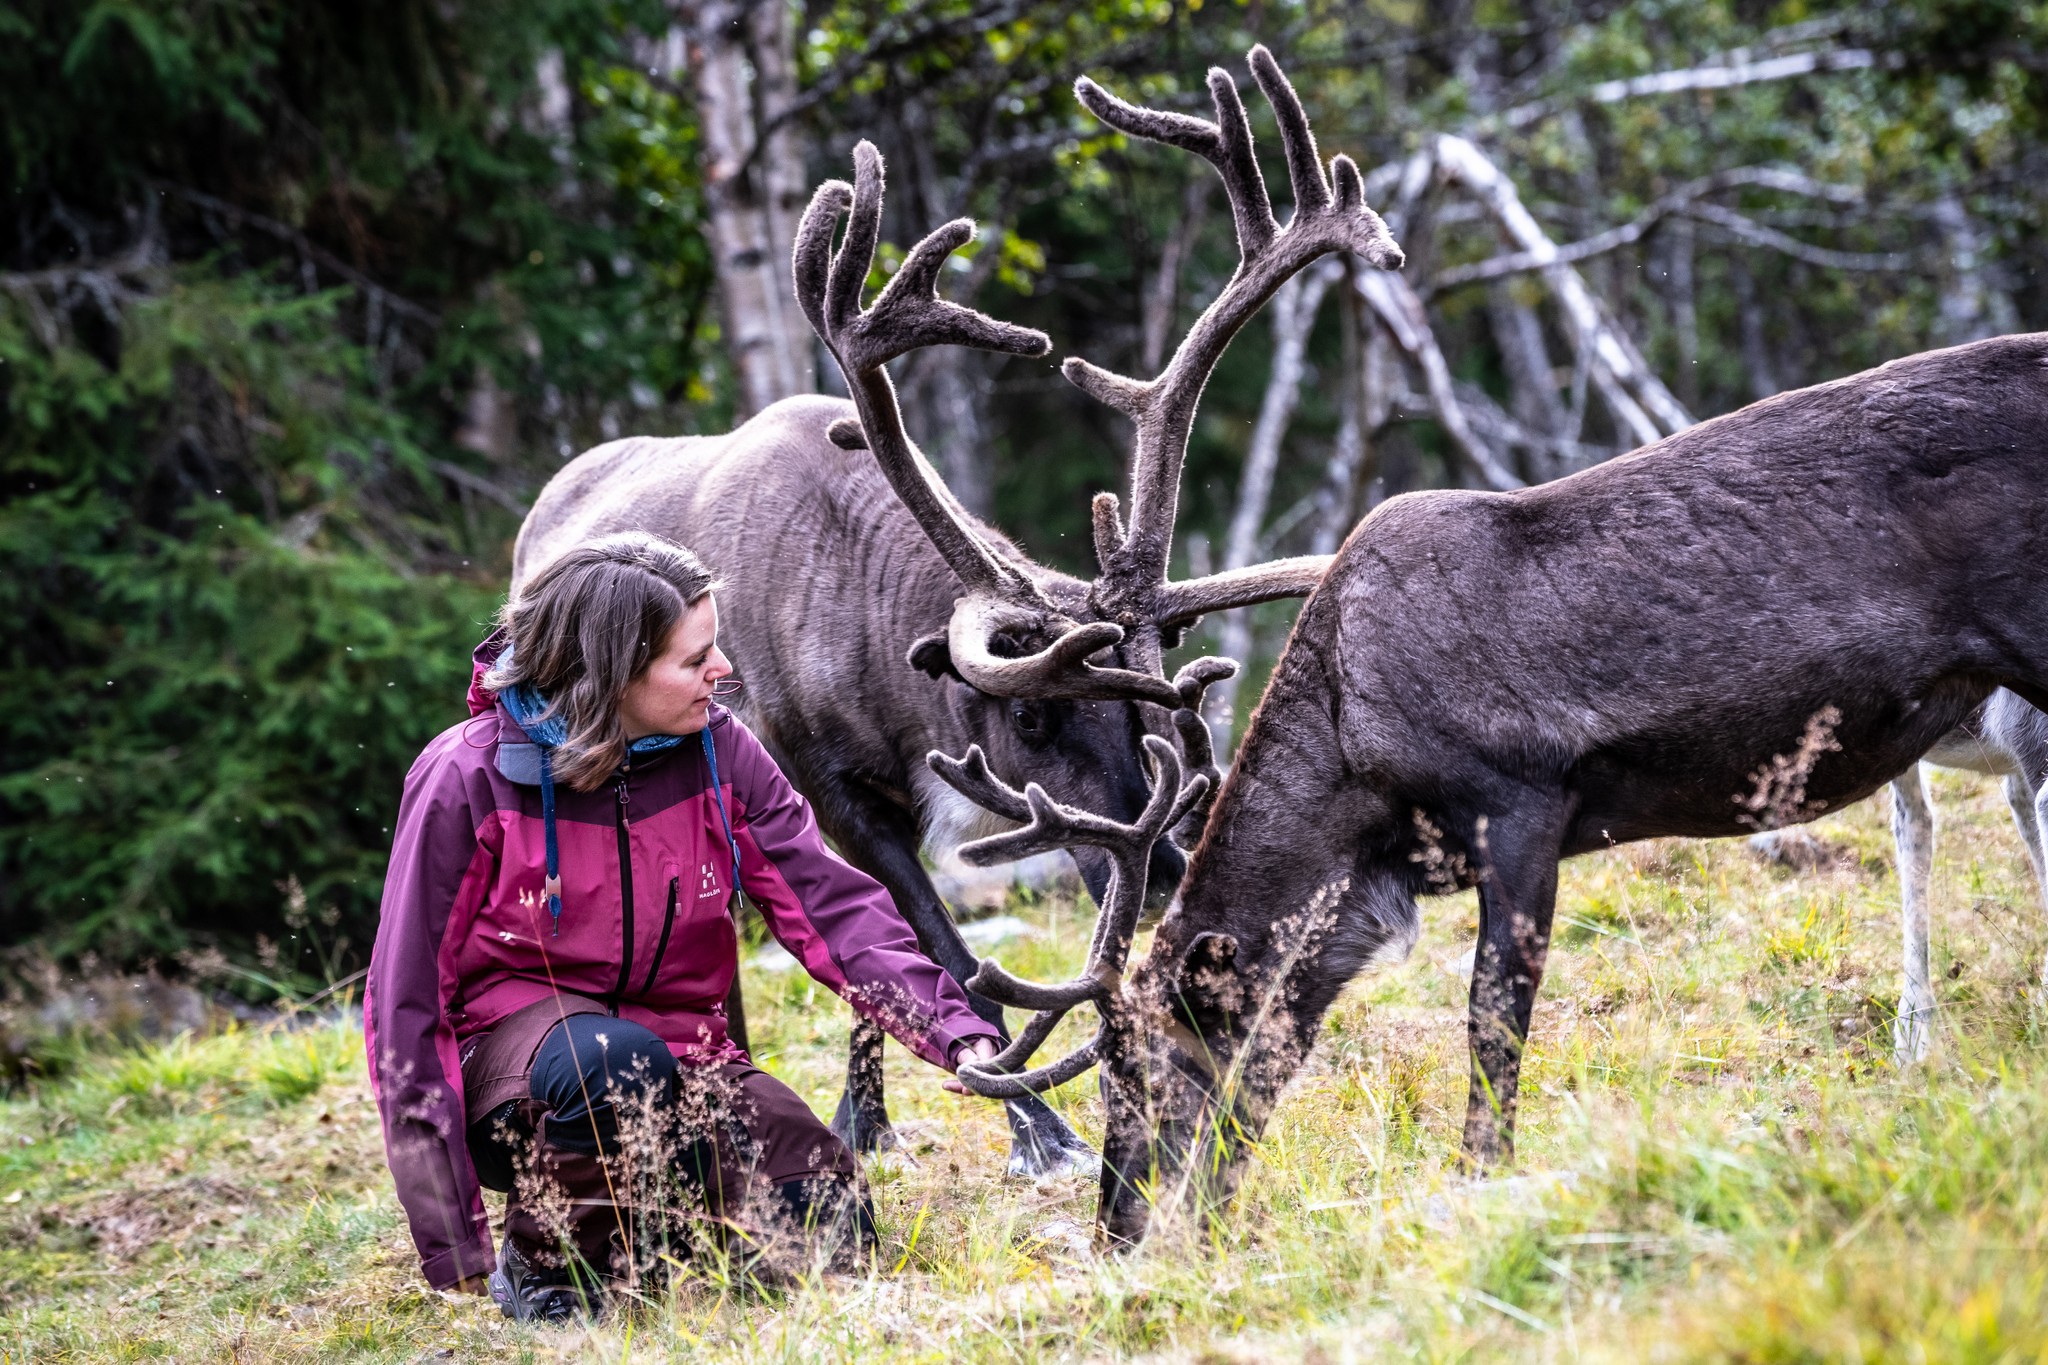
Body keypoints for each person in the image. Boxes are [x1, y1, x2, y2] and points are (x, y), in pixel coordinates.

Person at [364, 532, 1001, 1322]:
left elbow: (830, 905)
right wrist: (448, 1233)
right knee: (614, 1065)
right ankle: (551, 1273)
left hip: (687, 1058)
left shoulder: (722, 752)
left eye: (716, 646)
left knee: (827, 1220)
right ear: (610, 674)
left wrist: (953, 1029)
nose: (722, 669)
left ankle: (652, 1220)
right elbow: (405, 1005)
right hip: (522, 1077)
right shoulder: (464, 776)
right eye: (692, 658)